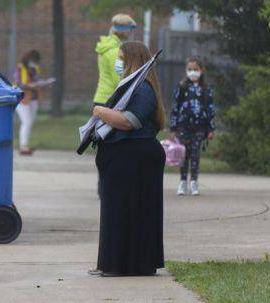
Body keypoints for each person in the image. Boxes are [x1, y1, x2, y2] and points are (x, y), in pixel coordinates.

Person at [90, 41, 165, 276]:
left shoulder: (143, 88)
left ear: (133, 60)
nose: (118, 63)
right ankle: (112, 262)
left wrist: (100, 111)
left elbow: (129, 121)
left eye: (122, 58)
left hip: (136, 159)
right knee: (116, 212)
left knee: (130, 212)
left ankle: (128, 264)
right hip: (122, 158)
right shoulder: (129, 86)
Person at [170, 56, 215, 196]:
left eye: (196, 69)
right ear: (186, 70)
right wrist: (173, 127)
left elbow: (210, 109)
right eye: (190, 69)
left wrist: (211, 128)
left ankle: (194, 181)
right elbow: (175, 107)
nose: (193, 72)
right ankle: (183, 181)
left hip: (199, 128)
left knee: (195, 155)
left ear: (201, 70)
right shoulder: (182, 87)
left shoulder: (206, 89)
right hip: (183, 127)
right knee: (184, 155)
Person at [93, 13, 136, 105]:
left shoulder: (108, 46)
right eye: (130, 28)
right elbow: (118, 77)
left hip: (102, 99)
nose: (131, 32)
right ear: (123, 30)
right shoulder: (115, 51)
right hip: (109, 100)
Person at [14, 50, 42, 156]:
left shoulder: (35, 69)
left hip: (33, 98)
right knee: (26, 122)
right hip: (23, 99)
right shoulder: (20, 68)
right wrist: (29, 86)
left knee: (29, 123)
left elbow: (37, 81)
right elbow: (18, 83)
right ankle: (23, 146)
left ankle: (26, 145)